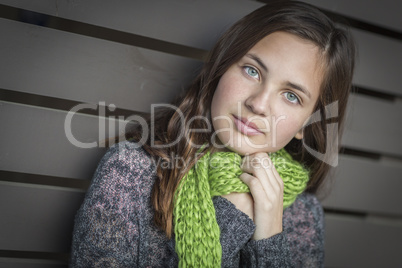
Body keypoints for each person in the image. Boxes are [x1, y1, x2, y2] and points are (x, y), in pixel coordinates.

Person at [70, 1, 355, 267]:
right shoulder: (130, 172)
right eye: (251, 71)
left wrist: (270, 237)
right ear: (222, 67)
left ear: (307, 124)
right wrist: (232, 219)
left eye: (291, 96)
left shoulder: (304, 213)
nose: (258, 103)